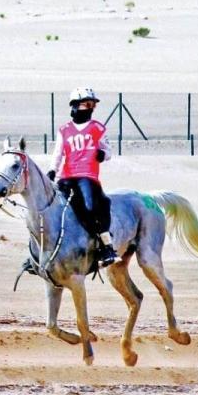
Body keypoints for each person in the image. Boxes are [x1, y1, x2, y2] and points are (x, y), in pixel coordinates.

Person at [47, 87, 118, 268]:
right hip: (66, 176)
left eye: (93, 104)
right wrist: (52, 170)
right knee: (51, 206)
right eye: (88, 104)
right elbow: (58, 153)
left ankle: (105, 246)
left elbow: (108, 151)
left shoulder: (98, 128)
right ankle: (40, 250)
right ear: (75, 106)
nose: (92, 107)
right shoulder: (64, 130)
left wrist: (103, 154)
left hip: (87, 176)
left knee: (91, 205)